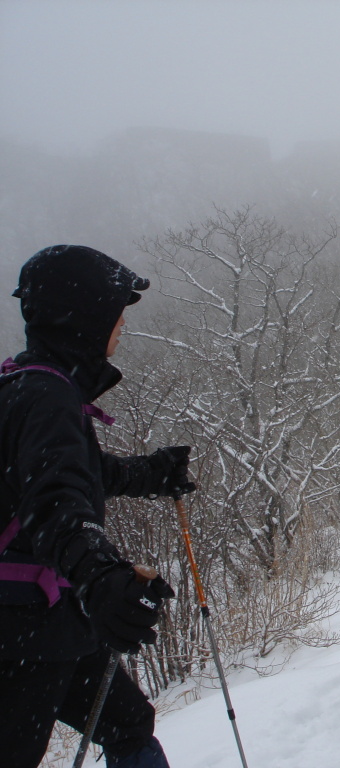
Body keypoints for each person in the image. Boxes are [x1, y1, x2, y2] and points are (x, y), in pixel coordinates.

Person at [0, 245, 195, 768]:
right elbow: (56, 502)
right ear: (84, 317)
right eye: (117, 313)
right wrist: (101, 574)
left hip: (50, 619)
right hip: (28, 629)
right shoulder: (47, 395)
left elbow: (67, 474)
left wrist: (150, 473)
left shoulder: (27, 383)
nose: (124, 325)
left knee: (129, 723)